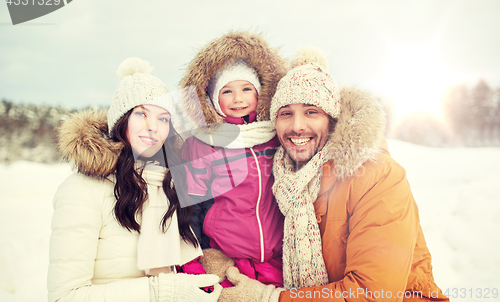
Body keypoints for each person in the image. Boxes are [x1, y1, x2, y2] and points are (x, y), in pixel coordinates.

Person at [216, 47, 450, 301]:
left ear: (332, 119)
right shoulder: (284, 178)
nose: (297, 126)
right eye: (286, 114)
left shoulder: (377, 176)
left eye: (311, 112)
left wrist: (272, 298)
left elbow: (373, 293)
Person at [47, 57, 222, 302]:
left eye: (163, 118)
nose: (153, 127)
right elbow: (64, 296)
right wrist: (158, 291)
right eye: (142, 114)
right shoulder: (82, 190)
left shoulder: (168, 186)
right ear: (122, 121)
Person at [178, 30, 287, 289]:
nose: (238, 99)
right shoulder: (202, 143)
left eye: (247, 89)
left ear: (261, 92)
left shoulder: (276, 136)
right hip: (226, 261)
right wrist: (197, 259)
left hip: (279, 261)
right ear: (213, 99)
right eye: (227, 91)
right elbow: (191, 208)